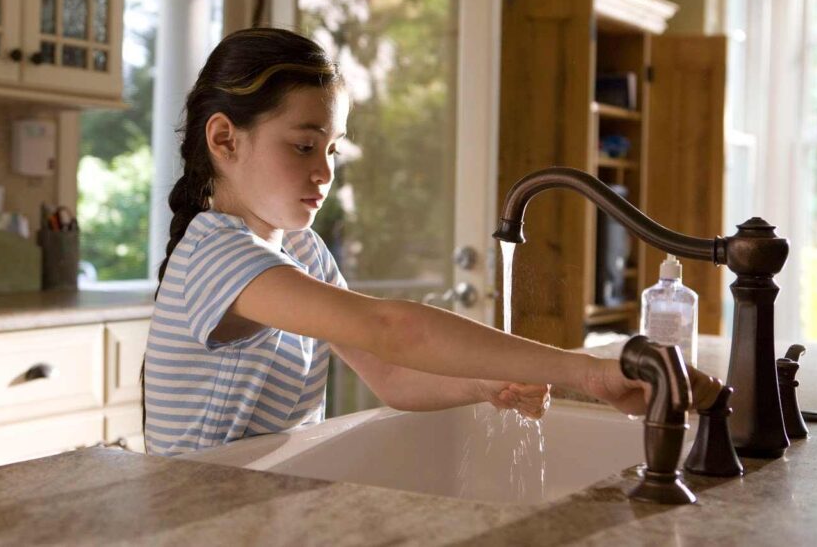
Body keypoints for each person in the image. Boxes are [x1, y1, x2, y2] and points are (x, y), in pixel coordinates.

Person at [141, 27, 720, 457]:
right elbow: (393, 330)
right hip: (192, 515)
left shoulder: (302, 250)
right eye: (303, 146)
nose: (325, 172)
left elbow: (390, 373)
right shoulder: (214, 254)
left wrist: (482, 381)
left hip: (260, 507)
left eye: (333, 150)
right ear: (224, 138)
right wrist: (588, 371)